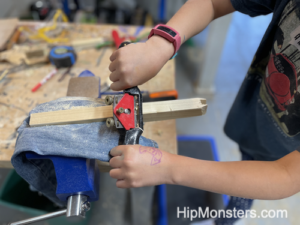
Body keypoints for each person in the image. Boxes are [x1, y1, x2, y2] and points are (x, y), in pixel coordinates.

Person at [108, 0, 300, 224]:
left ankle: (226, 219)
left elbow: (287, 175)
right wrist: (161, 44)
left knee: (241, 198)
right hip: (254, 119)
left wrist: (168, 168)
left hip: (281, 158)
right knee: (247, 156)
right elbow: (212, 3)